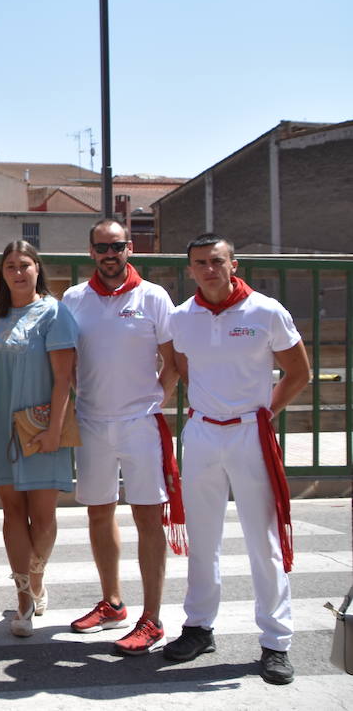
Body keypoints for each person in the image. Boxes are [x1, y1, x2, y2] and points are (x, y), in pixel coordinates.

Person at [163, 233, 309, 686]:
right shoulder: (181, 318)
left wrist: (264, 413)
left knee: (262, 541)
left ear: (233, 264)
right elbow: (184, 369)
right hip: (203, 433)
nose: (209, 269)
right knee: (202, 539)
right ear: (190, 269)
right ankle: (199, 626)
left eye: (216, 261)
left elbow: (298, 372)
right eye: (200, 262)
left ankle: (275, 642)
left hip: (250, 434)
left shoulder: (266, 311)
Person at [61, 219, 183, 656]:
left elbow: (173, 361)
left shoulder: (153, 297)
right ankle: (113, 603)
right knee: (99, 514)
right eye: (101, 247)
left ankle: (151, 620)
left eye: (117, 246)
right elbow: (65, 361)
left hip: (140, 425)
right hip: (91, 422)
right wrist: (79, 396)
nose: (110, 254)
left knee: (149, 519)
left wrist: (154, 401)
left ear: (129, 249)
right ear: (91, 251)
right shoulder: (74, 299)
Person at [0, 240, 77, 638]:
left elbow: (64, 378)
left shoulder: (54, 313)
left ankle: (37, 576)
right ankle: (25, 598)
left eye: (24, 264)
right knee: (13, 514)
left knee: (43, 518)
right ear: (2, 271)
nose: (17, 271)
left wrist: (54, 430)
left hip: (41, 428)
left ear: (37, 269)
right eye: (10, 265)